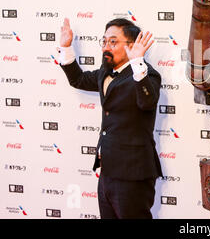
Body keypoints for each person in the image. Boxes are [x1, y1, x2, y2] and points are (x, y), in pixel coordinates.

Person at [58, 17, 162, 219]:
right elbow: (78, 79)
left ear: (132, 46)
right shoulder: (105, 73)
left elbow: (147, 102)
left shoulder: (147, 75)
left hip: (133, 174)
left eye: (113, 42)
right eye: (104, 41)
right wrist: (66, 47)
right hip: (106, 172)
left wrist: (137, 62)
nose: (106, 46)